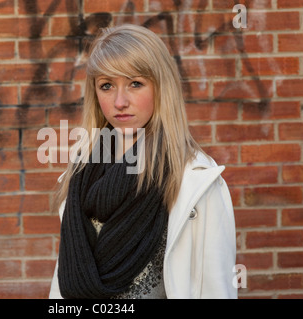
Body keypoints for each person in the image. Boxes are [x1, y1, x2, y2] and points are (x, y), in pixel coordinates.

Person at [48, 24, 237, 299]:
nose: (120, 101)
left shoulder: (197, 183)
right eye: (107, 86)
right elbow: (64, 280)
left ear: (161, 88)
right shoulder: (79, 174)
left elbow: (215, 291)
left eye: (135, 83)